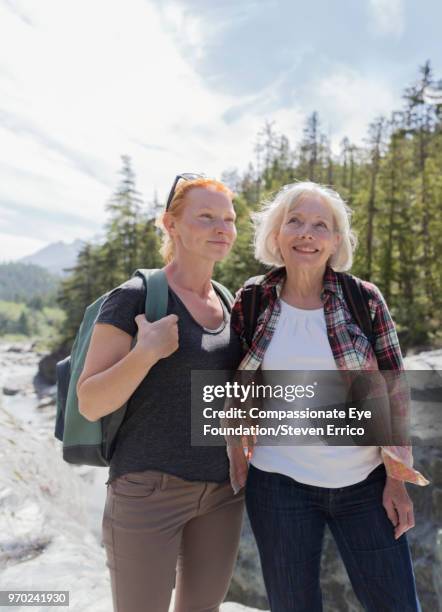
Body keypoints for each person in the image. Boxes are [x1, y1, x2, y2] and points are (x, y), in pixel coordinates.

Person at [227, 181, 429, 612]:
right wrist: (234, 447)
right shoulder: (253, 299)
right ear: (275, 234)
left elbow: (393, 390)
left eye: (321, 225)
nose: (307, 233)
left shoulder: (363, 300)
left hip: (365, 485)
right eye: (294, 221)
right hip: (278, 485)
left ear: (336, 241)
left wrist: (397, 479)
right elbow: (234, 382)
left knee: (397, 605)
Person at [77, 174, 245, 612]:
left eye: (228, 219)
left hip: (222, 494)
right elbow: (90, 400)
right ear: (170, 225)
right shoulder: (134, 298)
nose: (221, 228)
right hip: (148, 491)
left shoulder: (230, 303)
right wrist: (145, 352)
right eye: (206, 217)